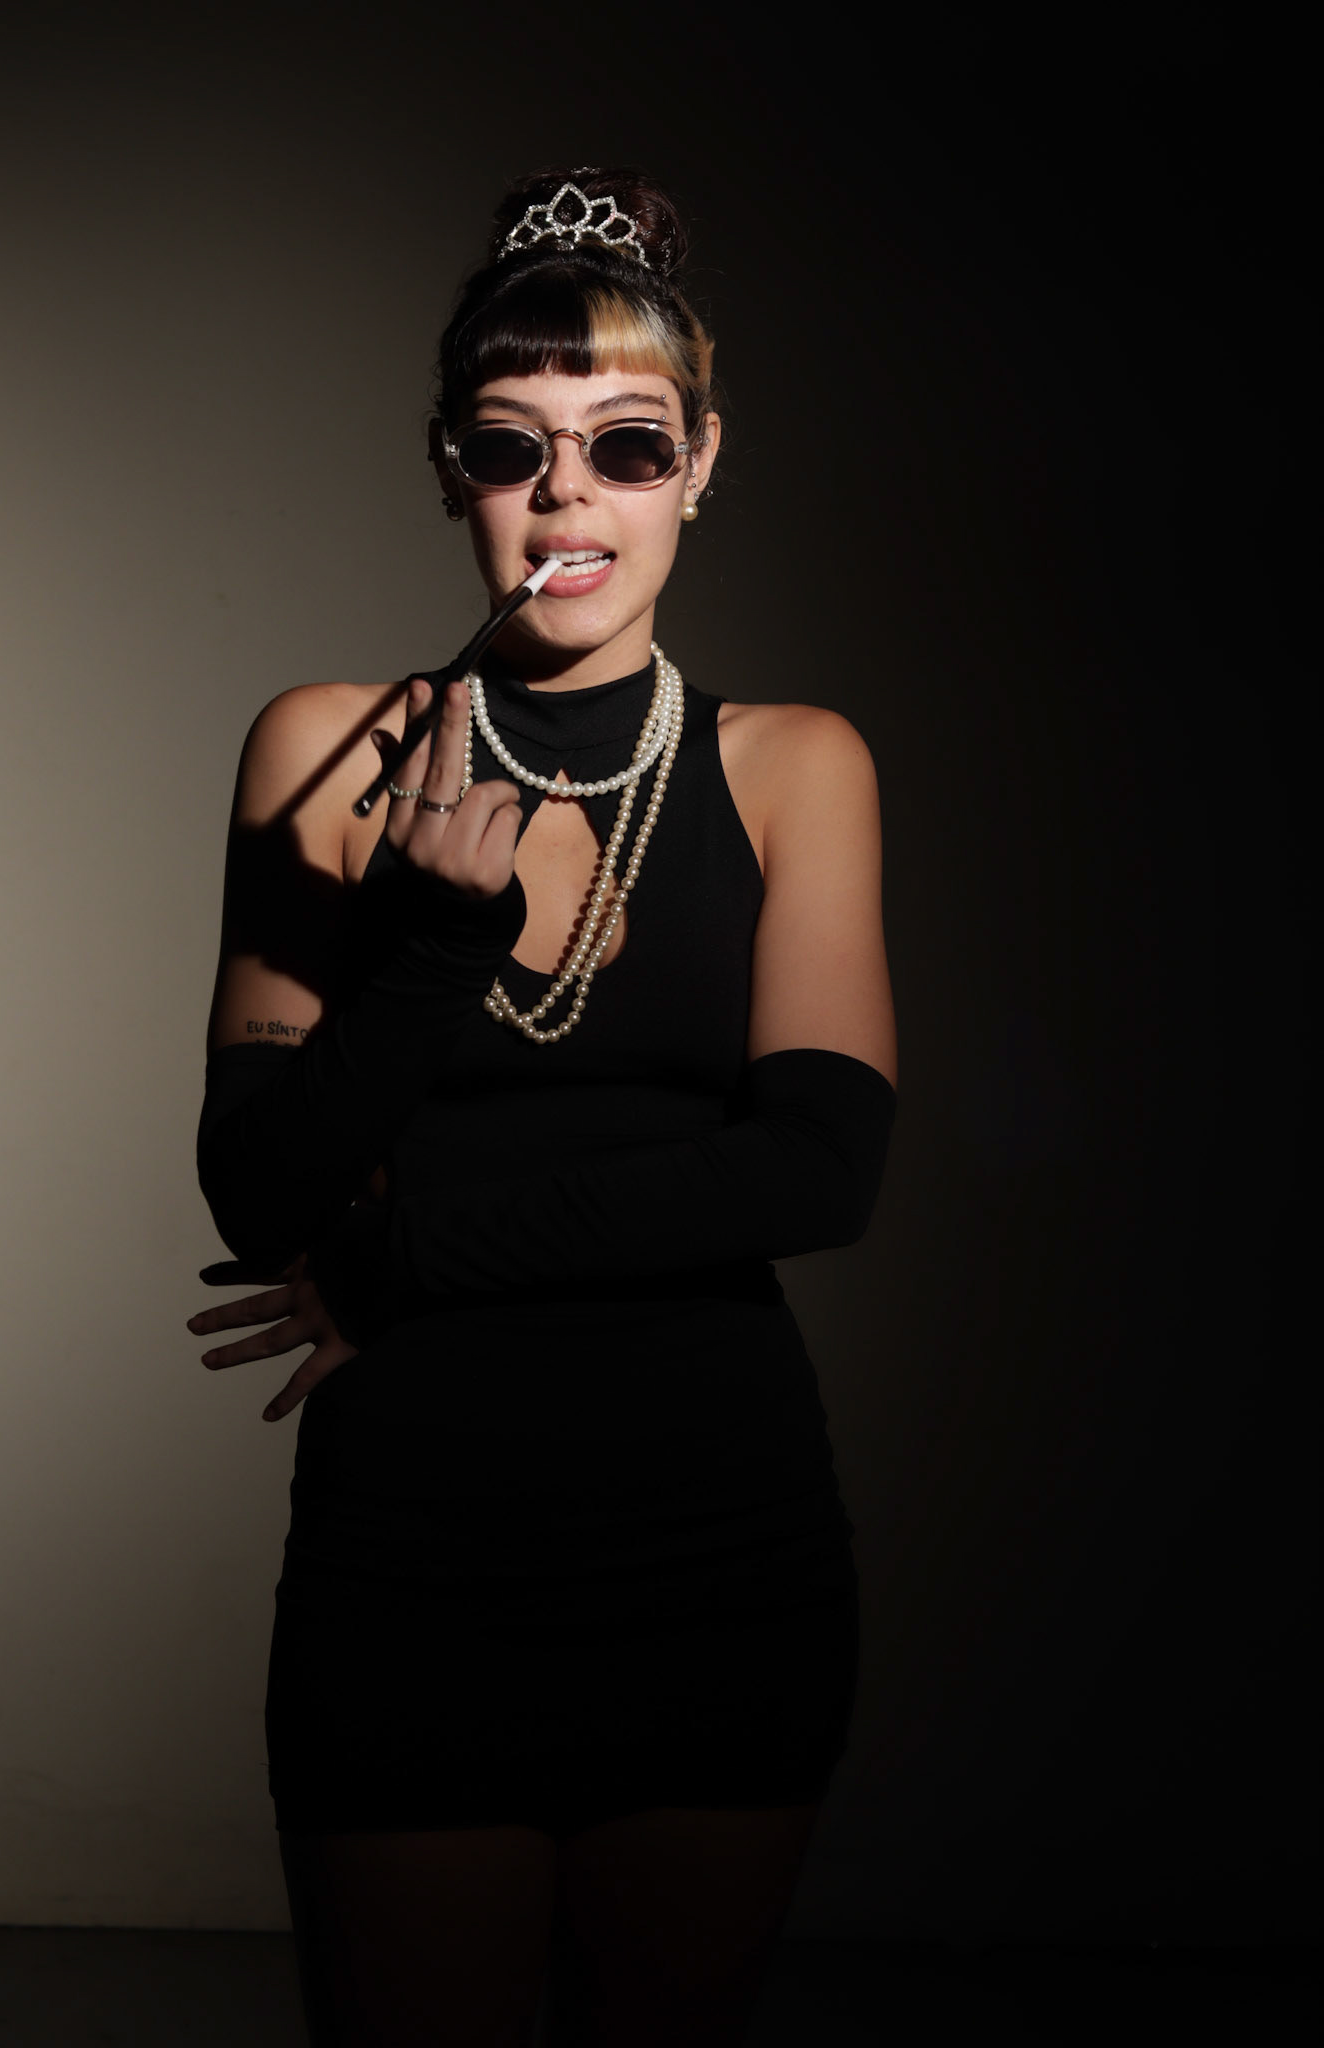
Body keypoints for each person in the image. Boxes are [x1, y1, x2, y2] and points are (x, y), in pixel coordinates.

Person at [189, 165, 897, 2048]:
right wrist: (433, 947)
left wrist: (408, 1261)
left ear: (699, 464)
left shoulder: (793, 765)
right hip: (408, 1559)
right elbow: (259, 1190)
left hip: (717, 1549)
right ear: (453, 471)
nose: (568, 495)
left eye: (626, 446)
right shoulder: (326, 751)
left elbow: (819, 1169)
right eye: (513, 447)